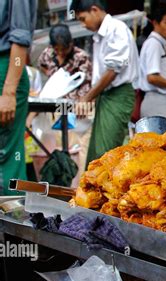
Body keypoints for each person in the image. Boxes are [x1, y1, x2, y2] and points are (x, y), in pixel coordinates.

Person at [70, 0, 139, 165]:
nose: (83, 24)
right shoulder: (99, 35)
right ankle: (92, 189)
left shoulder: (116, 28)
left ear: (94, 10)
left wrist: (87, 97)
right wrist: (91, 97)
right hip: (107, 95)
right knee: (95, 154)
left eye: (82, 18)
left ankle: (106, 189)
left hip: (119, 94)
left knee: (105, 153)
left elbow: (112, 71)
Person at [36, 24, 93, 179]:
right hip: (54, 111)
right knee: (53, 149)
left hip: (76, 112)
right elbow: (42, 65)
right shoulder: (47, 54)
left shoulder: (82, 57)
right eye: (57, 50)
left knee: (78, 150)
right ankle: (53, 184)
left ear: (71, 44)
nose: (60, 53)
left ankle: (76, 184)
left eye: (64, 50)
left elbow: (86, 88)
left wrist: (81, 105)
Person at [0, 0, 37, 195]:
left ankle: (13, 219)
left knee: (7, 158)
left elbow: (20, 38)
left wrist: (8, 92)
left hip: (7, 69)